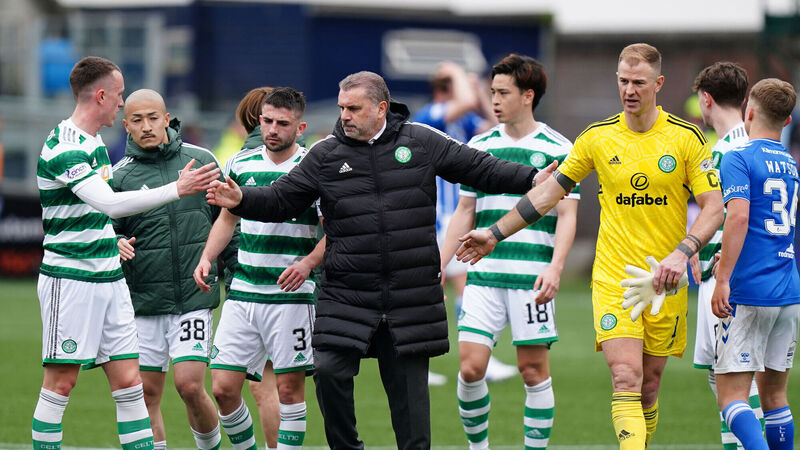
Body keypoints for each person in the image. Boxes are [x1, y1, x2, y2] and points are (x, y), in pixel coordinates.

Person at [205, 71, 554, 450]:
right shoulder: (326, 154)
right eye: (342, 108)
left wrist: (532, 179)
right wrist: (243, 199)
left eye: (354, 108)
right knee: (328, 372)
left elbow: (480, 167)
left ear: (381, 108)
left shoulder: (420, 141)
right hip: (347, 294)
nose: (344, 116)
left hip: (409, 296)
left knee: (411, 417)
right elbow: (281, 198)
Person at [455, 43, 725, 449]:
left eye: (639, 82)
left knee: (649, 387)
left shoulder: (686, 138)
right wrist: (494, 233)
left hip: (665, 278)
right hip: (614, 277)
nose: (629, 90)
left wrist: (681, 252)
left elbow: (714, 207)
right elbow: (548, 194)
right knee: (625, 376)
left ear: (658, 84)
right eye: (623, 81)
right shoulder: (597, 138)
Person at [33, 56, 219, 450]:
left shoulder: (95, 143)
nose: (122, 104)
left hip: (111, 280)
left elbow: (99, 216)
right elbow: (109, 204)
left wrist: (111, 240)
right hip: (71, 279)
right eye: (118, 96)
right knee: (61, 383)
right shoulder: (63, 146)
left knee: (132, 384)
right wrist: (176, 189)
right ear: (101, 96)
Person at [439, 53, 578, 450]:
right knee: (470, 369)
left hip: (531, 278)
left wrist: (556, 268)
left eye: (503, 92)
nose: (494, 100)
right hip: (482, 276)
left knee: (532, 371)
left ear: (528, 96)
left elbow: (567, 215)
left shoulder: (558, 147)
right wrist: (440, 264)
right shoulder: (479, 146)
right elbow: (464, 211)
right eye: (492, 92)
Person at [195, 87, 323, 450]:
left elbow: (336, 230)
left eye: (283, 123)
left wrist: (308, 263)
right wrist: (207, 257)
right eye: (267, 121)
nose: (273, 129)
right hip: (244, 292)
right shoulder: (240, 162)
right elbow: (227, 218)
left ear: (300, 128)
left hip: (291, 296)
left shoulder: (314, 168)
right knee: (223, 388)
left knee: (288, 390)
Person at [111, 88, 237, 450]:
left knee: (190, 386)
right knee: (146, 394)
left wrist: (233, 275)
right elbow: (105, 228)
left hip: (193, 297)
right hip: (144, 301)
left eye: (153, 118)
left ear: (167, 119)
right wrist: (114, 241)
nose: (146, 126)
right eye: (137, 120)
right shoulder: (119, 176)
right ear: (126, 126)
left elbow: (228, 219)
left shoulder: (201, 160)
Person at [711, 78, 800, 450]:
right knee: (775, 396)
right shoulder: (791, 164)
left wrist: (723, 278)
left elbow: (740, 217)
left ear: (748, 111)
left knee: (731, 396)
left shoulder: (739, 156)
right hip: (788, 290)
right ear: (788, 120)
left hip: (750, 290)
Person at [414, 61, 514, 385]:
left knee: (458, 287)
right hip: (435, 217)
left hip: (454, 217)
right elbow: (467, 101)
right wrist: (459, 73)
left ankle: (477, 354)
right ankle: (421, 360)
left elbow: (493, 125)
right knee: (436, 287)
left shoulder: (464, 120)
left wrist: (480, 91)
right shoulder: (430, 115)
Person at [691, 62, 763, 450]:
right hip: (751, 277)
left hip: (726, 281)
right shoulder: (759, 145)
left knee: (735, 383)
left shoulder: (722, 154)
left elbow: (735, 216)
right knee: (726, 378)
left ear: (706, 100)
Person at [232, 85, 283, 450]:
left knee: (262, 388)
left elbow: (223, 221)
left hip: (254, 284)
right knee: (277, 386)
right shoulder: (302, 155)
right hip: (294, 282)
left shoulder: (240, 160)